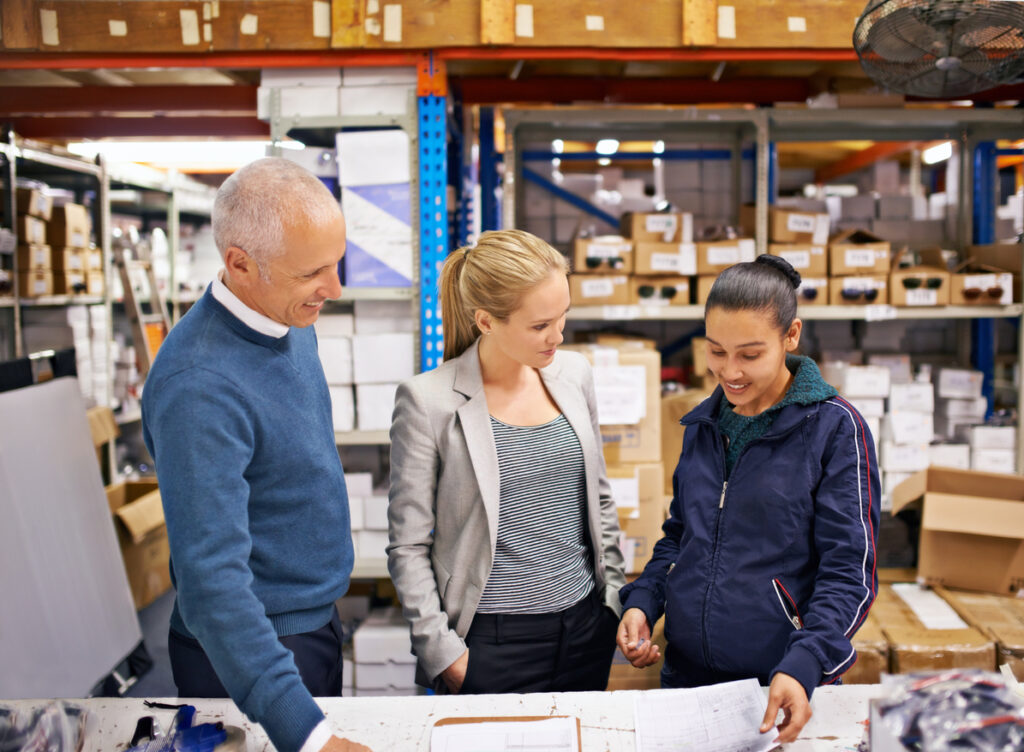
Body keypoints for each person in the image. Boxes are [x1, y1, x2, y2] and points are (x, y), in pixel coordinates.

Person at [142, 158, 370, 752]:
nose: (334, 288)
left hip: (311, 620)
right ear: (240, 263)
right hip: (245, 652)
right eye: (312, 273)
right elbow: (212, 587)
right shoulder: (199, 386)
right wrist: (308, 734)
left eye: (336, 263)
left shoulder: (287, 316)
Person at [617, 254, 879, 743]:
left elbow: (849, 572)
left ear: (791, 336)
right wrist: (644, 602)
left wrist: (805, 664)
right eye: (716, 351)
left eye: (749, 354)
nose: (729, 371)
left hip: (778, 684)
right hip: (686, 679)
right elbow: (680, 537)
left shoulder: (834, 429)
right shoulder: (704, 424)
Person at [387, 229, 626, 695]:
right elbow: (408, 546)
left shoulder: (574, 374)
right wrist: (442, 652)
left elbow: (597, 497)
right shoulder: (427, 401)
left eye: (563, 317)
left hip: (584, 629)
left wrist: (612, 599)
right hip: (491, 643)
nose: (557, 336)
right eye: (540, 326)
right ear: (486, 321)